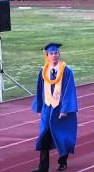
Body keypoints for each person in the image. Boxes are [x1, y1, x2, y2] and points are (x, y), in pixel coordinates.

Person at [32, 43, 78, 172]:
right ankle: (43, 167)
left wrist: (65, 109)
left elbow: (69, 91)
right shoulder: (43, 71)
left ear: (59, 54)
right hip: (47, 109)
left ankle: (63, 161)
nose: (54, 55)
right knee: (44, 137)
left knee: (62, 136)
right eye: (51, 53)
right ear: (46, 56)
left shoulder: (66, 71)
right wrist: (39, 108)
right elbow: (39, 90)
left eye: (56, 53)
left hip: (61, 109)